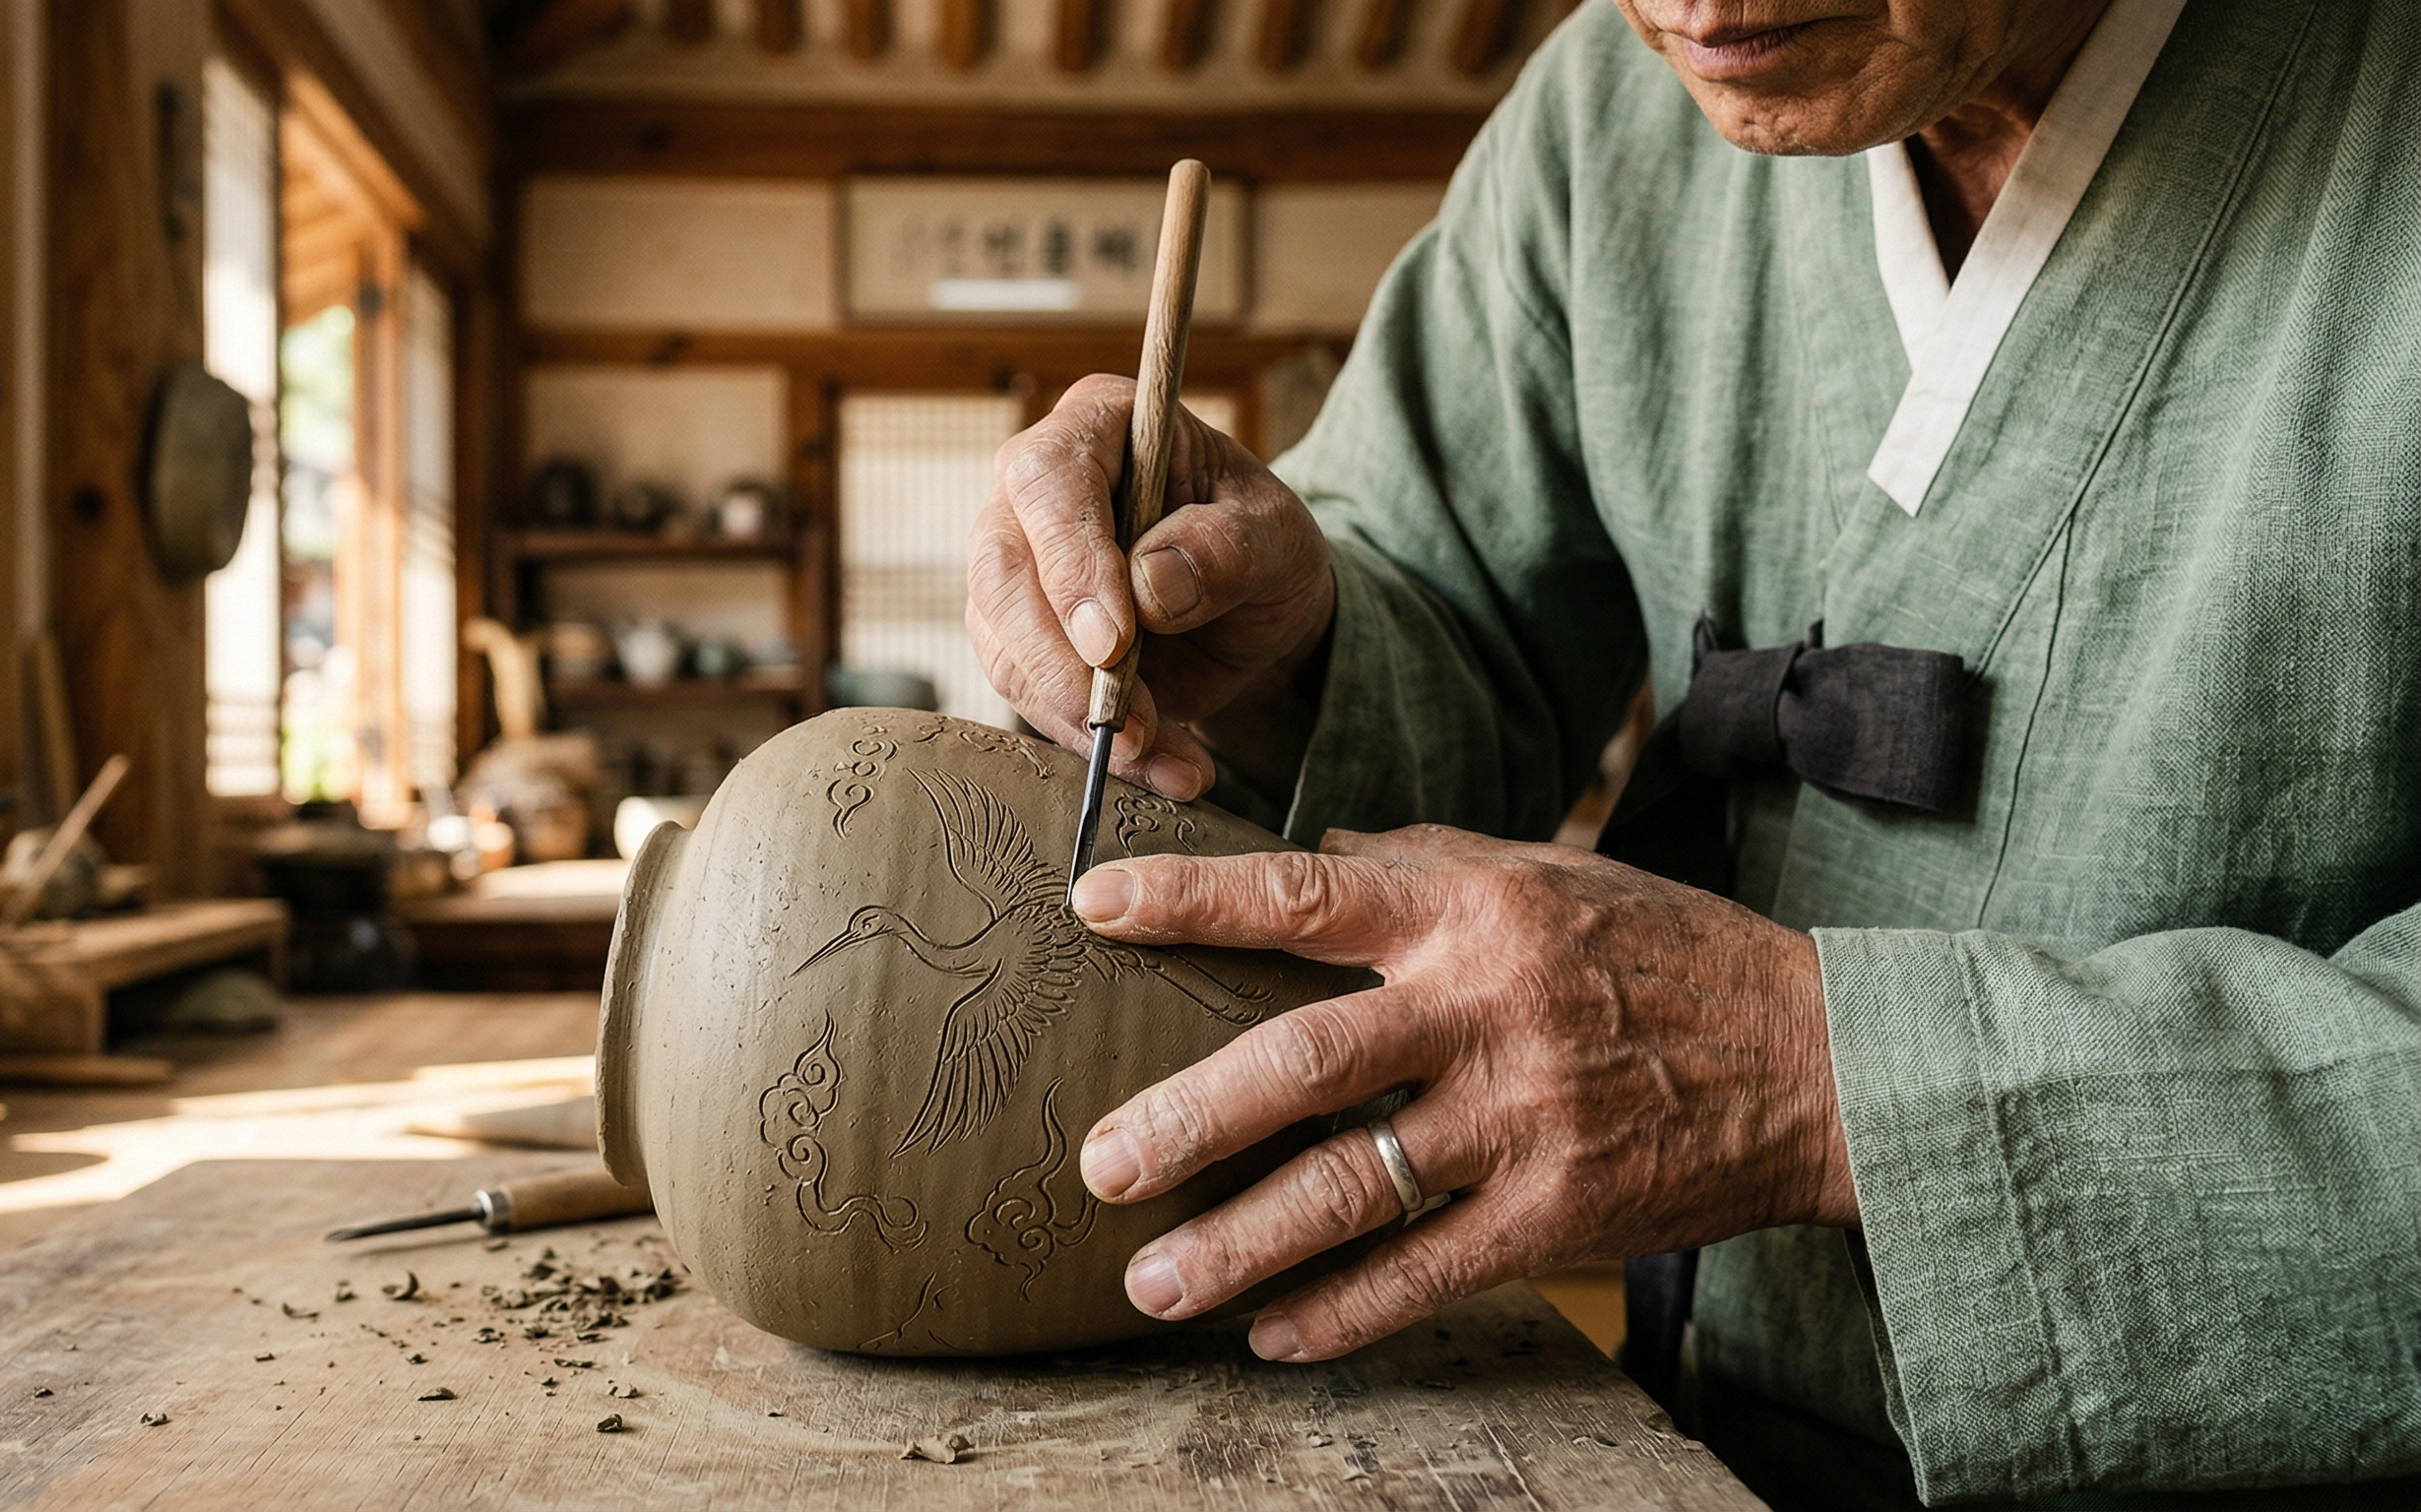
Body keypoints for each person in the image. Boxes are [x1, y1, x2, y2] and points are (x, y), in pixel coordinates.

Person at [963, 0, 2421, 1504]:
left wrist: (1831, 1082)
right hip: (1684, 1436)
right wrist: (1276, 658)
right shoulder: (1615, 103)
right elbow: (1456, 603)